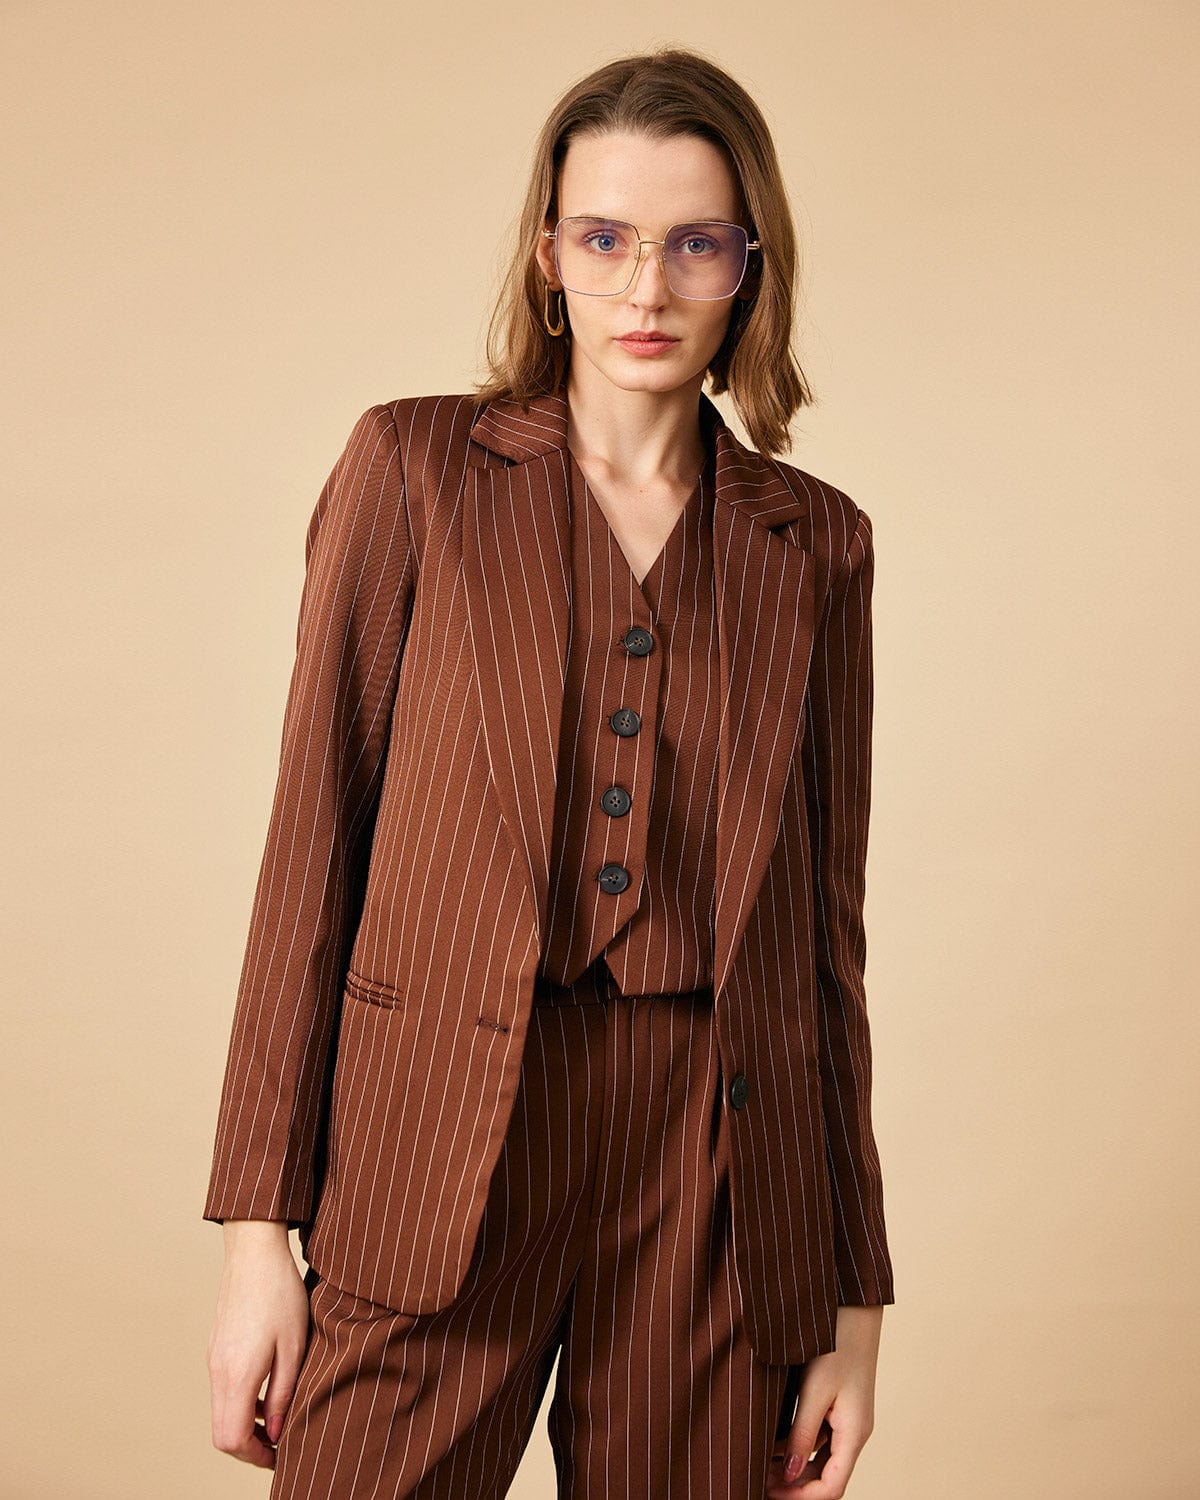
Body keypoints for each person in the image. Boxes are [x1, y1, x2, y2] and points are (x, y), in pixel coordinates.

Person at [203, 45, 895, 1500]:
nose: (648, 288)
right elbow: (313, 846)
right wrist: (258, 1235)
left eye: (695, 244)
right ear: (548, 256)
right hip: (437, 1132)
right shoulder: (416, 471)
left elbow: (824, 942)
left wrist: (852, 1299)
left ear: (749, 266)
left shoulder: (815, 541)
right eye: (607, 238)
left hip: (715, 1160)